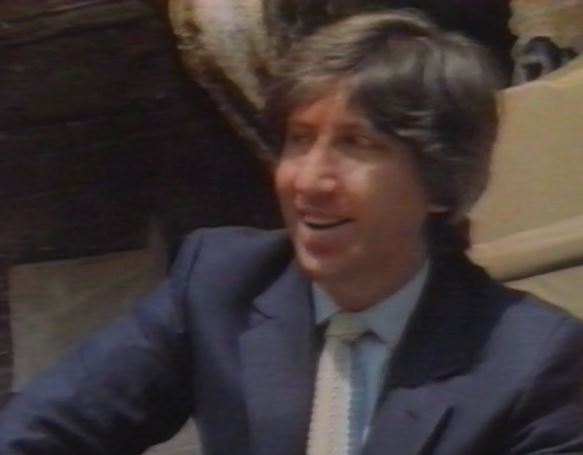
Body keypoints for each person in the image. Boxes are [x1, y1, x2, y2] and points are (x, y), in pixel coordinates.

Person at [1, 10, 582, 455]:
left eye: (356, 144)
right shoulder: (219, 283)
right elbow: (42, 430)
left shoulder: (534, 361)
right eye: (300, 140)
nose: (308, 181)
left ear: (440, 184)